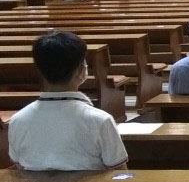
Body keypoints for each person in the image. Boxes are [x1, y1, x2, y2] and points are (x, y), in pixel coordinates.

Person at [9, 32, 128, 171]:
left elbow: (19, 167)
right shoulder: (100, 120)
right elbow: (119, 173)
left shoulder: (18, 120)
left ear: (39, 70)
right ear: (81, 71)